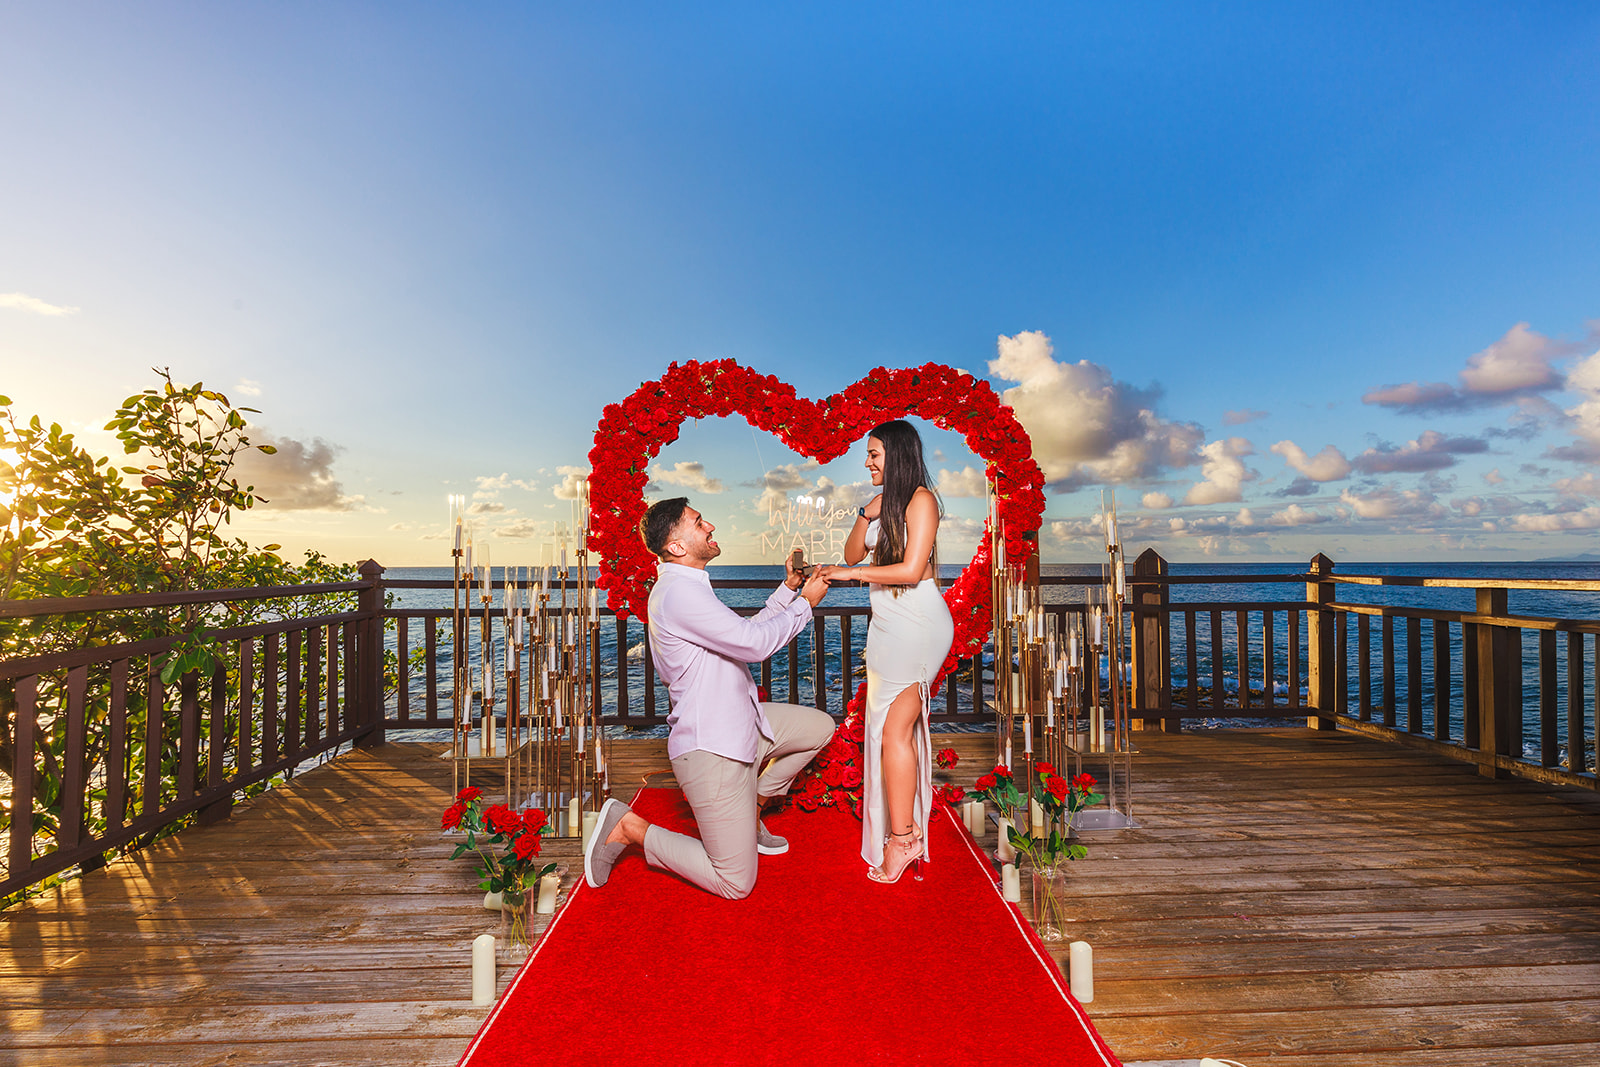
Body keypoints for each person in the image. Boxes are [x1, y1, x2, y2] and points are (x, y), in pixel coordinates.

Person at [583, 497, 834, 900]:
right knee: (735, 882)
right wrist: (806, 604)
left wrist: (788, 590)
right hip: (713, 748)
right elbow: (753, 645)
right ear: (678, 546)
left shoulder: (688, 587)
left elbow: (742, 633)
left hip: (743, 722)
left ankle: (751, 804)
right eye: (699, 523)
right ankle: (630, 826)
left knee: (821, 728)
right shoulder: (678, 595)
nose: (710, 526)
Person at [818, 419, 954, 884]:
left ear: (894, 456)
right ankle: (903, 832)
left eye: (874, 454)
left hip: (918, 627)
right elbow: (852, 552)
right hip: (887, 628)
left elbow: (913, 570)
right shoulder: (886, 505)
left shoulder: (922, 500)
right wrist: (865, 512)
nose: (867, 462)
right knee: (887, 732)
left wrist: (848, 576)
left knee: (894, 732)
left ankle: (904, 840)